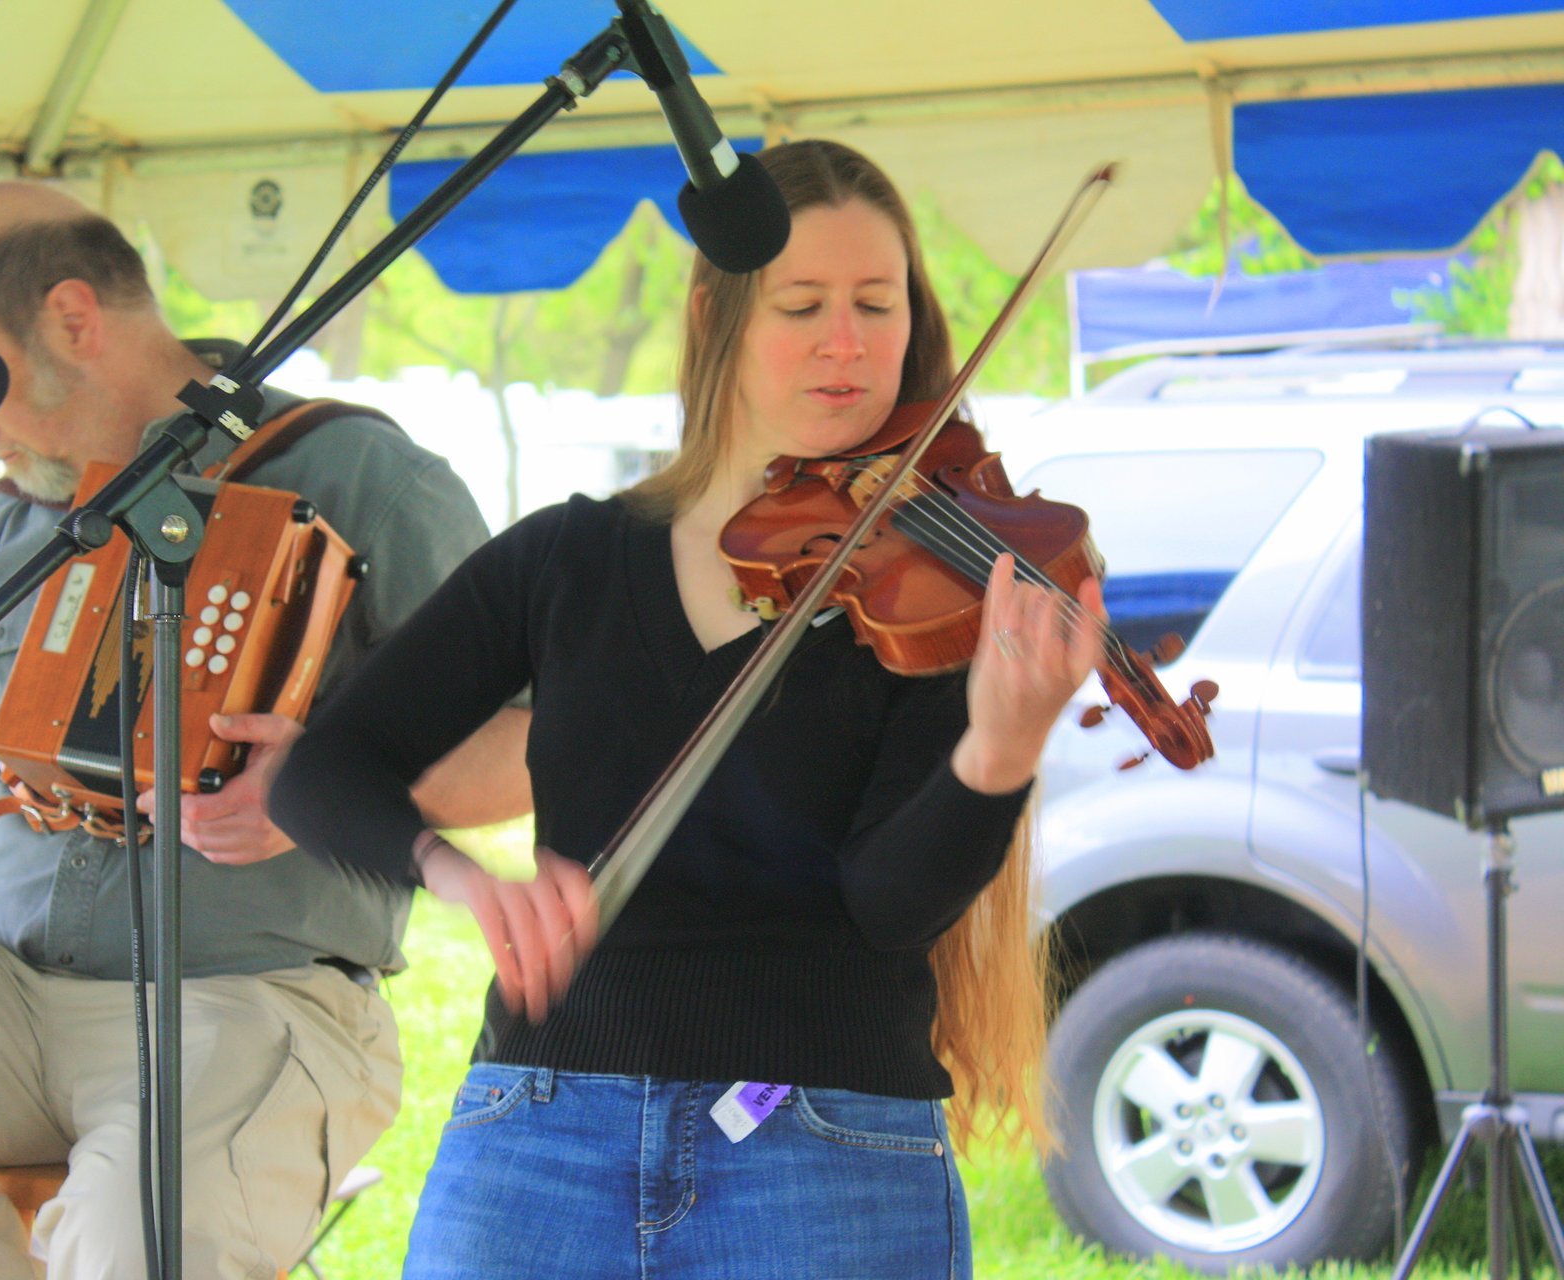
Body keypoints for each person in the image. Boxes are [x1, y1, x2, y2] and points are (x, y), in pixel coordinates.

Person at [271, 138, 1104, 1280]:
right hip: (541, 1124)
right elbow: (325, 766)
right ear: (717, 319)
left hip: (824, 1138)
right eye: (803, 304)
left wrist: (998, 752)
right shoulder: (568, 557)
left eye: (879, 302)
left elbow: (890, 901)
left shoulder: (932, 577)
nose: (848, 341)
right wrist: (463, 876)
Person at [0, 181, 531, 1280]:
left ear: (73, 318)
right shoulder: (11, 516)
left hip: (243, 1001)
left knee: (142, 1233)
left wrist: (321, 779)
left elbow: (529, 738)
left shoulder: (355, 473)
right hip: (4, 989)